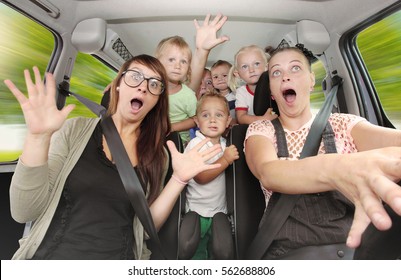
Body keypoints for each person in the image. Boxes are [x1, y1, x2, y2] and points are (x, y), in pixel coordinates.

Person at [3, 54, 223, 260]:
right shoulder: (75, 129)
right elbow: (24, 211)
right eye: (135, 77)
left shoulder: (159, 155)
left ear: (157, 100)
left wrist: (178, 180)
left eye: (154, 84)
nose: (143, 87)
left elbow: (145, 229)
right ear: (118, 84)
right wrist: (38, 137)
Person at [244, 46, 401, 259]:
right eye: (276, 72)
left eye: (295, 68)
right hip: (290, 251)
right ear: (271, 90)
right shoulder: (261, 129)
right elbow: (268, 173)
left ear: (311, 81)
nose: (286, 77)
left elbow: (393, 140)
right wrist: (338, 168)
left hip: (356, 248)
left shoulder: (344, 123)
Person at [179, 92, 239, 259]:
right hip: (197, 211)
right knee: (196, 253)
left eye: (219, 115)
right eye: (206, 115)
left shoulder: (226, 144)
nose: (212, 120)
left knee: (219, 253)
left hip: (220, 212)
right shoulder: (195, 144)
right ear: (197, 121)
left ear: (228, 121)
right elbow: (201, 177)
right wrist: (225, 159)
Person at [156, 14, 229, 146]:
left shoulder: (187, 95)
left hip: (180, 141)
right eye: (171, 59)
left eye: (183, 62)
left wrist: (170, 127)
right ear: (157, 63)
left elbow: (194, 119)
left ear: (188, 69)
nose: (177, 66)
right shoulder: (150, 88)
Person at [231, 45, 277, 124]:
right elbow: (241, 117)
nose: (251, 70)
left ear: (266, 67)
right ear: (238, 74)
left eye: (256, 64)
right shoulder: (242, 92)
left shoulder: (274, 86)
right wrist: (263, 119)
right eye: (245, 66)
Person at [211, 60, 237, 125]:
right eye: (215, 77)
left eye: (224, 75)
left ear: (233, 76)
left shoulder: (237, 94)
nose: (220, 79)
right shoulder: (212, 97)